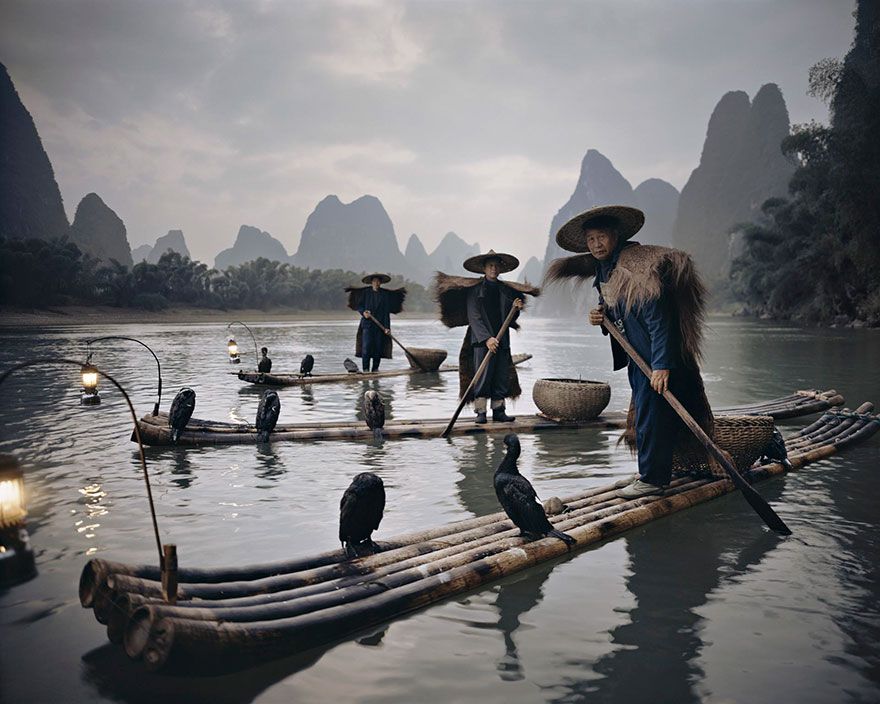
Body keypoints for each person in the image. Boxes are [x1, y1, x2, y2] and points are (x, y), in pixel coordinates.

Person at [546, 205, 714, 498]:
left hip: (657, 358)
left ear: (616, 236)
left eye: (601, 237)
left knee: (651, 416)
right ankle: (654, 471)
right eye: (590, 240)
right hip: (638, 357)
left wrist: (661, 365)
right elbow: (618, 314)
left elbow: (659, 319)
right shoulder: (605, 270)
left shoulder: (637, 266)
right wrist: (601, 318)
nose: (596, 244)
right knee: (648, 415)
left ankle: (652, 479)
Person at [434, 250, 538, 424]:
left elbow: (511, 319)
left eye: (497, 266)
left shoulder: (506, 290)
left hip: (502, 338)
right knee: (483, 374)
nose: (494, 269)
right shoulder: (474, 290)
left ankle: (498, 410)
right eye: (490, 265)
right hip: (482, 341)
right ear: (484, 268)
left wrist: (516, 308)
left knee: (501, 375)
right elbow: (474, 317)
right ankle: (480, 412)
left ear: (501, 269)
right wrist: (487, 339)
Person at [345, 274, 406, 372]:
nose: (376, 283)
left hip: (380, 325)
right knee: (366, 348)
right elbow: (360, 306)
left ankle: (375, 369)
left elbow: (386, 313)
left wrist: (387, 328)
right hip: (367, 325)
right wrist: (363, 312)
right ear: (371, 282)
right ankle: (365, 370)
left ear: (380, 283)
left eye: (378, 282)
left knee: (377, 348)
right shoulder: (365, 293)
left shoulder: (384, 295)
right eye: (375, 281)